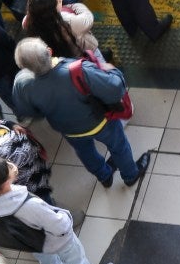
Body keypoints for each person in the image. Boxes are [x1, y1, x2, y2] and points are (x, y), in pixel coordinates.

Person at [12, 37, 150, 188]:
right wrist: (113, 71)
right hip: (100, 122)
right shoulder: (77, 69)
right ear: (49, 51)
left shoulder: (21, 83)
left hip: (68, 129)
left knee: (85, 153)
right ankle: (130, 175)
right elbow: (115, 89)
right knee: (118, 146)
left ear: (23, 66)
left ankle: (104, 176)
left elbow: (29, 112)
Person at [0, 156, 115, 264]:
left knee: (48, 263)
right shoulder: (28, 205)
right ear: (4, 182)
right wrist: (65, 217)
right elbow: (59, 226)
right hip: (57, 241)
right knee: (77, 263)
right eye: (7, 166)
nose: (10, 163)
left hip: (29, 242)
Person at [21, 0, 98, 58]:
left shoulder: (27, 22)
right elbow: (88, 19)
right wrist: (75, 5)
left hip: (60, 58)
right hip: (82, 53)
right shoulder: (67, 22)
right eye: (58, 1)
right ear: (51, 10)